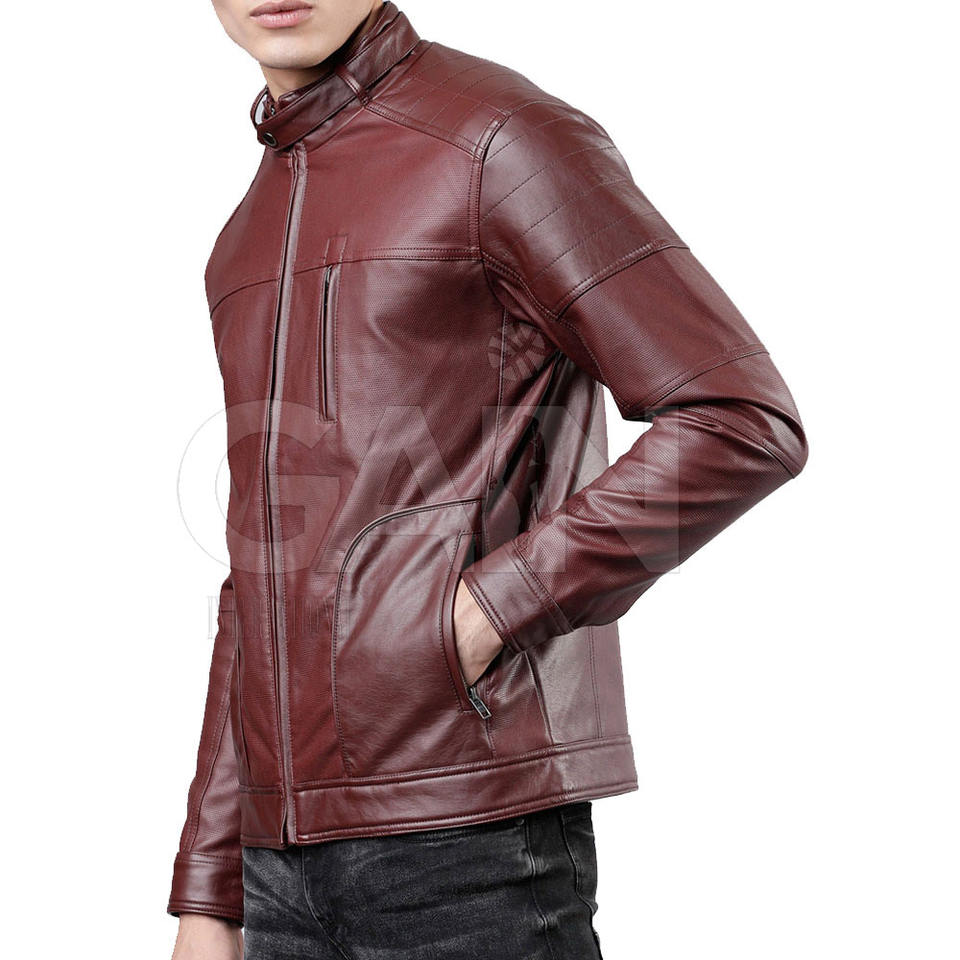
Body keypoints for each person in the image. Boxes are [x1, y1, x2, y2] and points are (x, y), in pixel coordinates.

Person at [168, 2, 808, 957]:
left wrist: (482, 614)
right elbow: (259, 569)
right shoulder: (244, 237)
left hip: (468, 844)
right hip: (276, 874)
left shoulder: (500, 140)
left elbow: (739, 420)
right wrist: (212, 890)